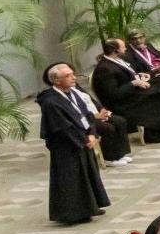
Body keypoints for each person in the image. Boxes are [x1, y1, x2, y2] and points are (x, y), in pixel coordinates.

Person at [37, 63, 113, 224]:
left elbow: (87, 114)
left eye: (73, 74)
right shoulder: (51, 102)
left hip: (84, 140)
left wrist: (92, 133)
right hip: (67, 146)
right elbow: (62, 128)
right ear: (56, 81)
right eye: (68, 76)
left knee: (87, 175)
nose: (73, 78)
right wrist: (84, 140)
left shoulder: (73, 93)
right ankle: (71, 213)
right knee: (71, 179)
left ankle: (89, 207)